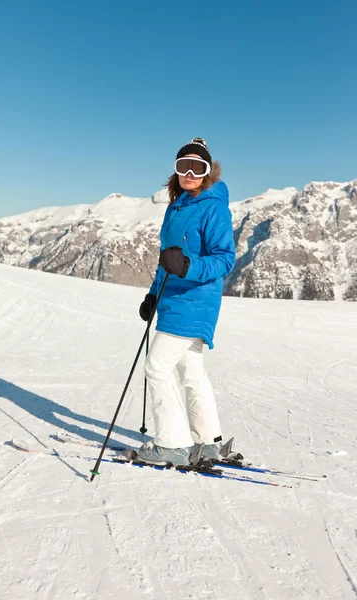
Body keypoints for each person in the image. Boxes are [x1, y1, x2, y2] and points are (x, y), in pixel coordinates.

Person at [137, 137, 235, 466]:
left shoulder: (214, 207)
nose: (190, 172)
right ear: (176, 171)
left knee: (156, 366)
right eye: (183, 166)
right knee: (190, 371)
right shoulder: (176, 207)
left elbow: (225, 259)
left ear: (208, 172)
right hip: (172, 301)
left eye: (198, 167)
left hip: (195, 301)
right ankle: (208, 442)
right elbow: (167, 259)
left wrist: (191, 266)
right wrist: (153, 294)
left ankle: (173, 444)